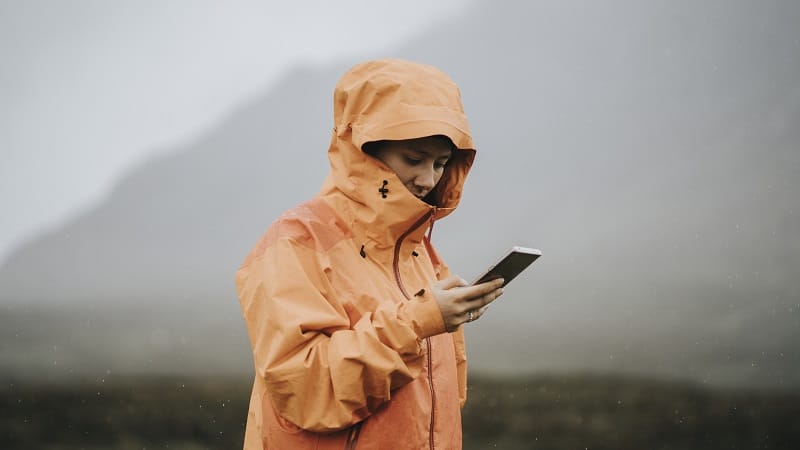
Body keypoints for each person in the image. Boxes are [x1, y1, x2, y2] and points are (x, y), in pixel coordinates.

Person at [235, 59, 504, 449]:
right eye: (414, 159)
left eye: (441, 163)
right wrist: (418, 322)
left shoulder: (421, 255)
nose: (428, 179)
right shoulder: (295, 240)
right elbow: (307, 388)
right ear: (365, 150)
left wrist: (443, 317)